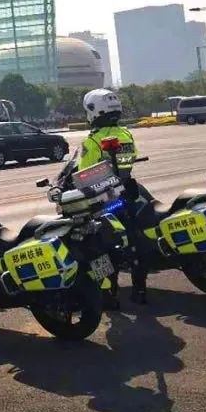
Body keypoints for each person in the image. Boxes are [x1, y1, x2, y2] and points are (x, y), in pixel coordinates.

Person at [76, 89, 154, 304]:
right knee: (134, 240)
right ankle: (140, 290)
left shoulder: (93, 141)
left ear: (94, 111)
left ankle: (109, 294)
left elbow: (84, 173)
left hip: (105, 199)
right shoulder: (126, 134)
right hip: (127, 192)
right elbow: (130, 158)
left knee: (100, 246)